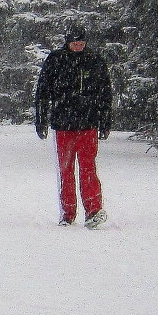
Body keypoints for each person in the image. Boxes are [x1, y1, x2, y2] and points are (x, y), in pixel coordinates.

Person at [34, 26, 113, 228]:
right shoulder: (55, 60)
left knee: (88, 167)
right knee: (66, 169)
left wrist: (105, 120)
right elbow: (43, 91)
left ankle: (93, 210)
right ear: (67, 42)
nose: (78, 46)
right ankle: (68, 214)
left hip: (88, 123)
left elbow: (105, 93)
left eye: (81, 43)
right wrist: (41, 118)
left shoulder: (95, 61)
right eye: (74, 43)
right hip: (63, 124)